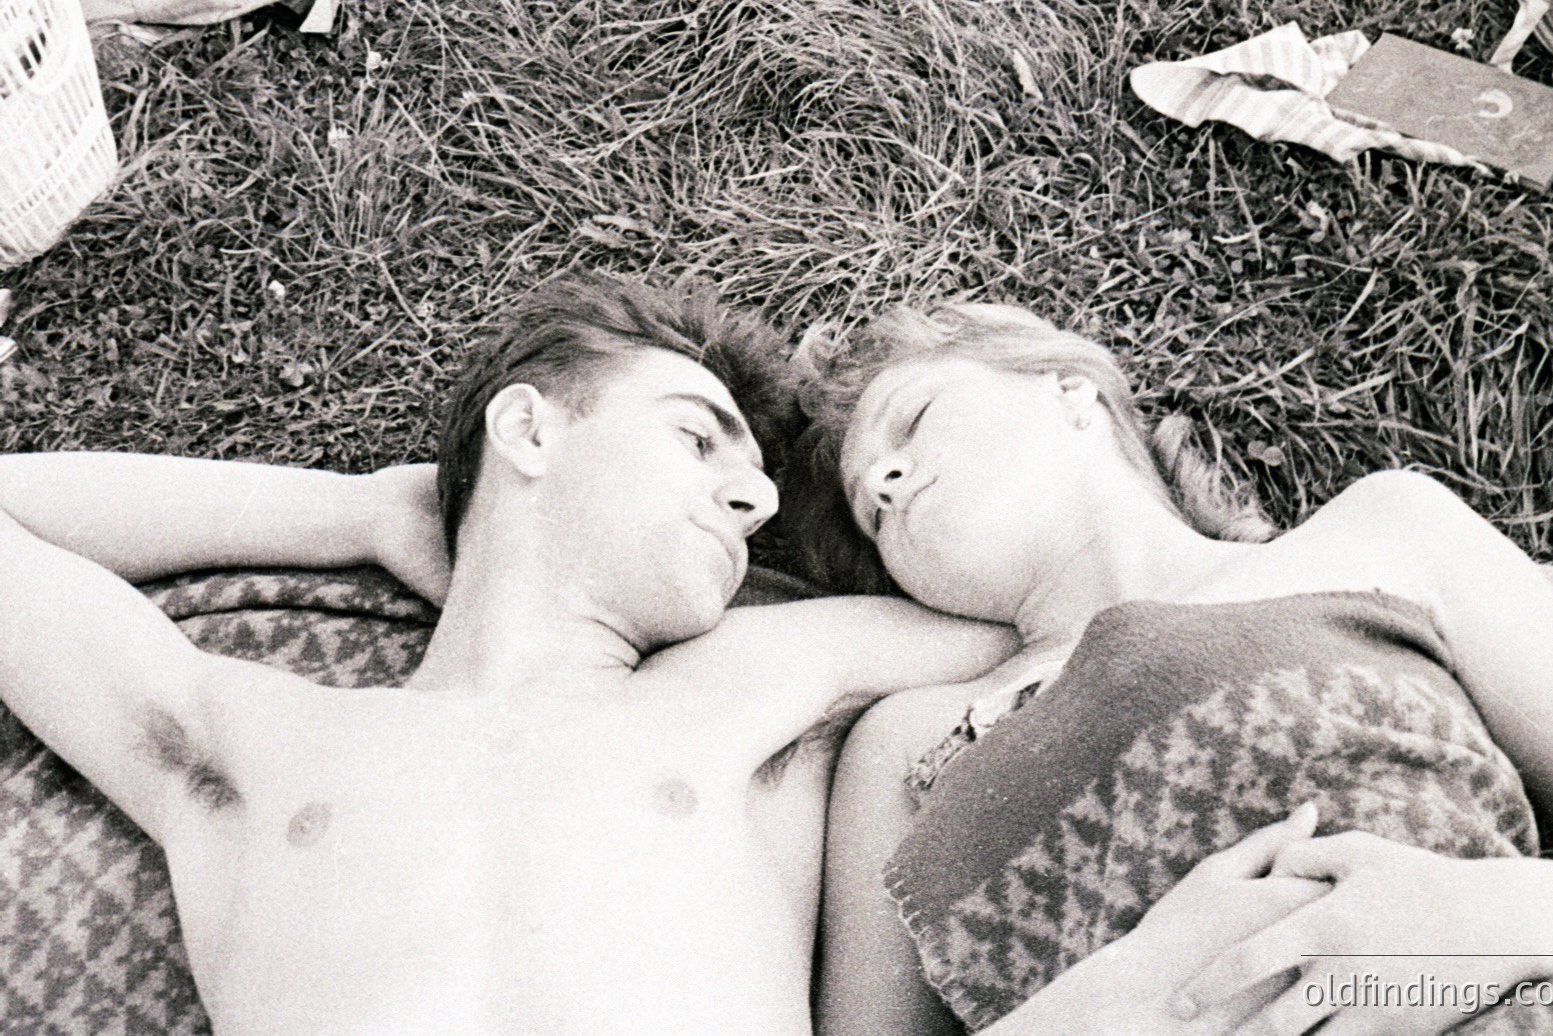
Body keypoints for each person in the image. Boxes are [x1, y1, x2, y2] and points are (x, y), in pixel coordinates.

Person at [0, 274, 1022, 1035]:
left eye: (754, 484)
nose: (754, 502)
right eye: (698, 439)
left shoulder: (767, 679)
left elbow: (1067, 624)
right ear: (528, 429)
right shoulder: (267, 744)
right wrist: (361, 512)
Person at [798, 301, 1553, 1035]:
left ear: (1066, 385)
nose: (885, 476)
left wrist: (1504, 916)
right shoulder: (903, 743)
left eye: (913, 418)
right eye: (871, 508)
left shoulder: (1384, 533)